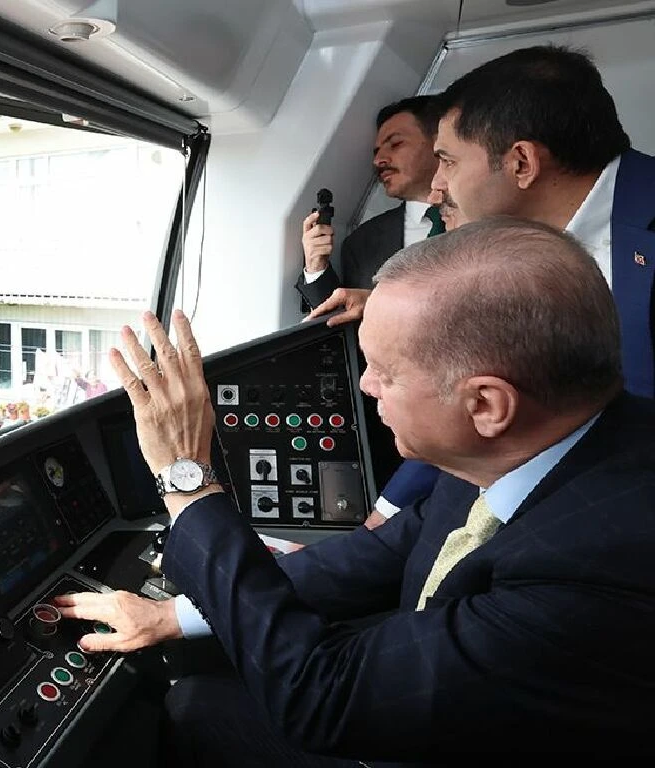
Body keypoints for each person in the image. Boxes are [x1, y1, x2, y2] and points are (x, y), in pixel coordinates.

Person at [58, 219, 655, 764]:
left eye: (385, 373)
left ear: (486, 404)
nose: (365, 387)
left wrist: (187, 476)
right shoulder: (529, 452)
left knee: (190, 709)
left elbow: (318, 701)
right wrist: (174, 614)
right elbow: (382, 553)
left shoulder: (599, 570)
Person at [308, 44, 655, 527]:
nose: (435, 189)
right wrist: (384, 516)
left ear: (521, 164)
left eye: (447, 161)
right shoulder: (511, 256)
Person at [295, 96, 443, 311]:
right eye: (376, 152)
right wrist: (316, 268)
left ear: (440, 142)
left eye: (395, 144)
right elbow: (340, 323)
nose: (378, 161)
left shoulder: (491, 215)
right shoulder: (362, 243)